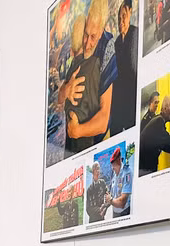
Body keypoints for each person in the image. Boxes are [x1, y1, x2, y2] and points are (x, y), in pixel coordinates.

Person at [61, 0, 117, 154]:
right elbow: (59, 96)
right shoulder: (78, 39)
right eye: (86, 34)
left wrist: (78, 131)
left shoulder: (107, 47)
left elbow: (104, 120)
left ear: (101, 31)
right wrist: (66, 90)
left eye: (93, 36)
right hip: (72, 140)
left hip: (94, 142)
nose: (87, 43)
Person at [110, 0, 138, 134]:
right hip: (119, 97)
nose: (121, 21)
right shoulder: (116, 43)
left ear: (130, 14)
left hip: (131, 96)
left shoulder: (135, 34)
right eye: (119, 18)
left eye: (124, 16)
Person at [139, 95, 170, 175]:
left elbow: (166, 140)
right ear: (165, 109)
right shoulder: (158, 121)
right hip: (145, 170)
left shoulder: (157, 120)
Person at [106, 147, 132, 218]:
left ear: (118, 161)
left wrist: (110, 200)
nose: (112, 168)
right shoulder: (114, 174)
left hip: (124, 212)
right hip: (115, 213)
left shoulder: (127, 172)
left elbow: (122, 202)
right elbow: (111, 194)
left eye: (113, 165)